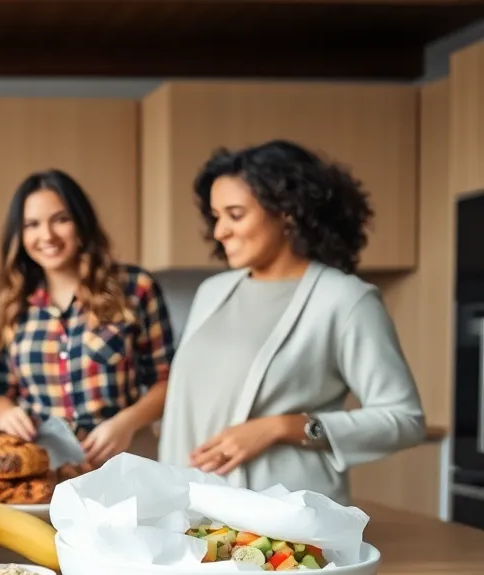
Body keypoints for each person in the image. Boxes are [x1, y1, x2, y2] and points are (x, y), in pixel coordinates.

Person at [158, 139, 425, 504]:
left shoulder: (344, 300)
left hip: (285, 521)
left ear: (287, 212)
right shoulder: (212, 292)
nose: (220, 232)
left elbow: (405, 419)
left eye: (235, 215)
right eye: (216, 217)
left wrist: (281, 427)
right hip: (191, 515)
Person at [0, 170, 175, 467]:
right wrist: (4, 412)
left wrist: (125, 423)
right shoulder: (12, 303)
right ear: (19, 235)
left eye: (61, 219)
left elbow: (167, 380)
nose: (47, 236)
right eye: (32, 225)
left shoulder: (135, 288)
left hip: (126, 460)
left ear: (81, 223)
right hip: (46, 468)